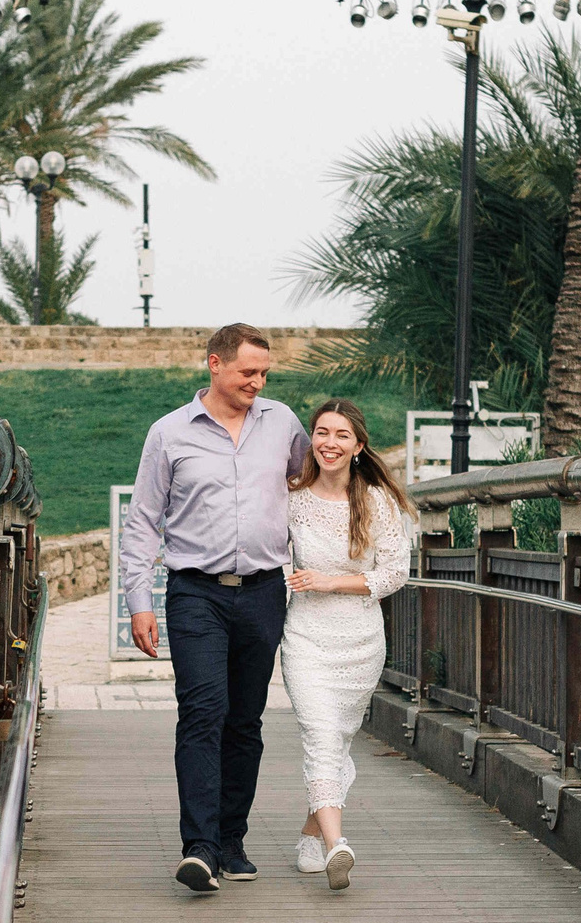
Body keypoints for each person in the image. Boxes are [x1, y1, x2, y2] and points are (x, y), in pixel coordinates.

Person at [119, 323, 309, 893]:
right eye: (249, 372)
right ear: (215, 364)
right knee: (203, 711)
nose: (258, 382)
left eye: (265, 373)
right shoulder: (168, 433)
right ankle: (199, 847)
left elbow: (313, 482)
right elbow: (143, 521)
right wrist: (138, 602)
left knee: (245, 720)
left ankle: (231, 840)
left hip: (264, 592)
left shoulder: (283, 424)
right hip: (195, 591)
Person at [281, 399, 415, 890]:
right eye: (321, 432)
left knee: (336, 740)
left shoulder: (376, 501)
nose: (329, 443)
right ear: (311, 439)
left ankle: (310, 835)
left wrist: (330, 582)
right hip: (305, 638)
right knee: (320, 734)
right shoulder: (292, 497)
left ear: (358, 446)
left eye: (341, 435)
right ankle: (338, 844)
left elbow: (395, 573)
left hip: (360, 641)